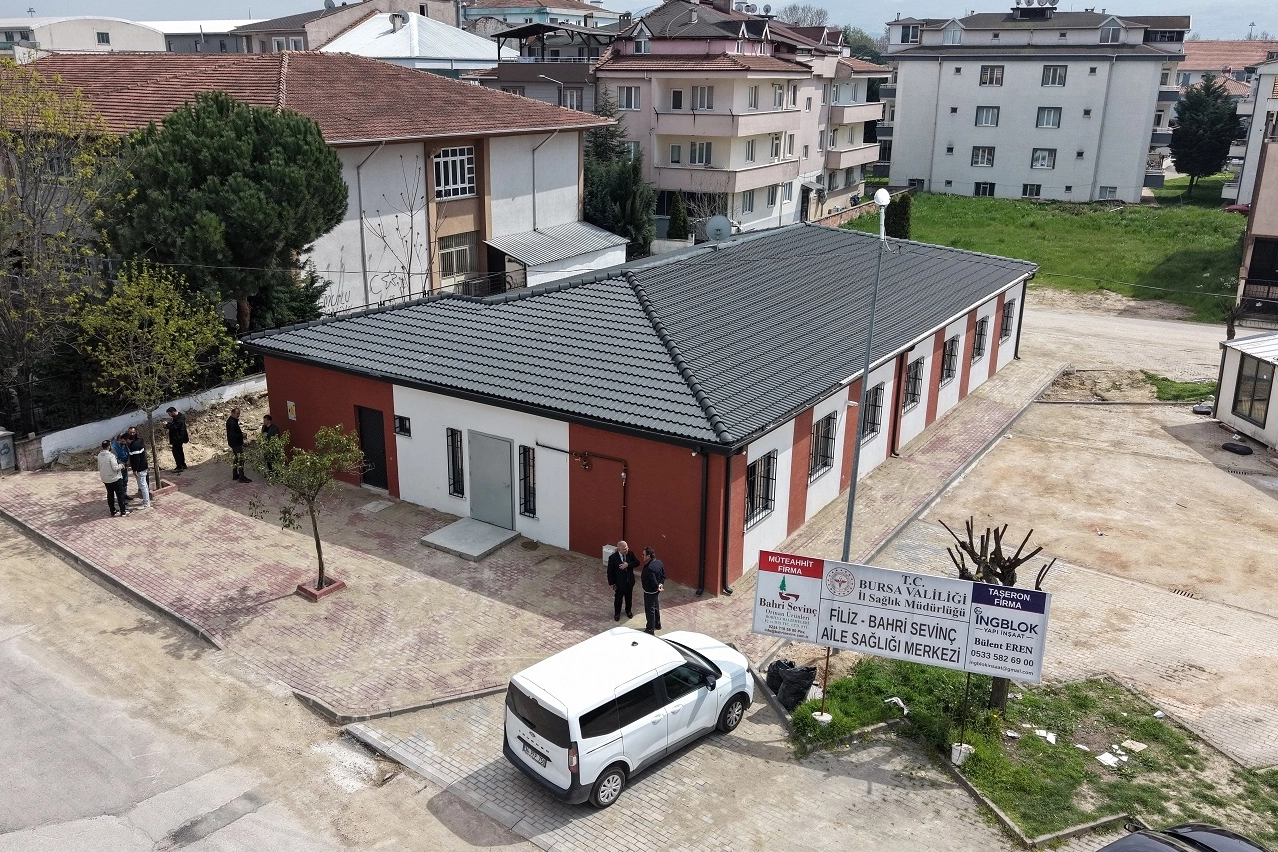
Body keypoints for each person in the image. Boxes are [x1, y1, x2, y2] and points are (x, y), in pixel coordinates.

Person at [606, 540, 640, 622]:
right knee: (618, 599)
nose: (626, 550)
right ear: (619, 549)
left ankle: (628, 611)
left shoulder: (630, 554)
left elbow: (637, 563)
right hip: (619, 583)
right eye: (624, 549)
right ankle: (617, 613)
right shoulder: (613, 558)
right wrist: (611, 583)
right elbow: (610, 571)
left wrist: (628, 564)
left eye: (627, 548)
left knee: (629, 598)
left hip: (629, 581)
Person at [97, 439, 129, 517]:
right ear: (108, 446)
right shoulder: (111, 456)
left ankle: (113, 511)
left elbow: (99, 467)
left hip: (105, 479)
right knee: (120, 494)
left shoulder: (99, 455)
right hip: (115, 478)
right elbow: (115, 468)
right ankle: (123, 511)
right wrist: (122, 465)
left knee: (110, 494)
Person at [640, 546, 666, 635]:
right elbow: (663, 575)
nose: (642, 556)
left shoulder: (649, 568)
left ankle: (650, 629)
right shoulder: (659, 563)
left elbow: (653, 580)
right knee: (655, 607)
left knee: (649, 609)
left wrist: (657, 586)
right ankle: (657, 624)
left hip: (650, 591)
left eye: (643, 555)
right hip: (656, 591)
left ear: (648, 556)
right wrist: (660, 584)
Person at [126, 426, 152, 509]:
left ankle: (146, 503)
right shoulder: (139, 441)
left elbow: (136, 459)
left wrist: (135, 469)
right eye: (130, 433)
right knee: (144, 485)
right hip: (143, 466)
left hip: (140, 468)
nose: (132, 434)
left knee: (143, 486)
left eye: (133, 432)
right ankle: (146, 501)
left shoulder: (134, 445)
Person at [227, 407, 251, 483]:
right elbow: (233, 435)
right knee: (241, 459)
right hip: (236, 443)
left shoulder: (232, 421)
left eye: (239, 414)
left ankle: (235, 475)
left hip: (234, 443)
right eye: (237, 413)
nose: (238, 415)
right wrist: (242, 435)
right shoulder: (232, 423)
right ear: (232, 413)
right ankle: (241, 477)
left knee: (236, 459)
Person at [164, 407, 189, 472]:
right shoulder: (178, 417)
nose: (169, 415)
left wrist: (167, 425)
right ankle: (182, 465)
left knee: (176, 452)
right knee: (180, 451)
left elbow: (175, 427)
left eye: (169, 414)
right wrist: (168, 424)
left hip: (178, 438)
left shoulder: (179, 419)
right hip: (179, 438)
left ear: (173, 412)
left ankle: (179, 467)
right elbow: (174, 425)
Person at [111, 433, 132, 498]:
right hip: (118, 467)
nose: (126, 441)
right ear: (120, 439)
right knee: (119, 483)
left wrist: (128, 462)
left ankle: (125, 494)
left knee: (125, 481)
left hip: (125, 466)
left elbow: (129, 453)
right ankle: (121, 497)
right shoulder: (113, 447)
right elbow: (115, 458)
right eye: (124, 439)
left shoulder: (124, 445)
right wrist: (123, 464)